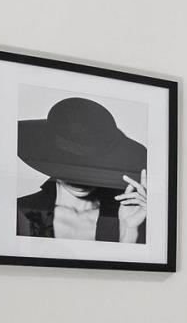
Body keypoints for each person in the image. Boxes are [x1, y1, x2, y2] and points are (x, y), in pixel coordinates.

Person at [15, 97, 148, 243]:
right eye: (70, 166)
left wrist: (128, 230)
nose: (80, 182)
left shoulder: (129, 216)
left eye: (91, 168)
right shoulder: (19, 211)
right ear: (50, 158)